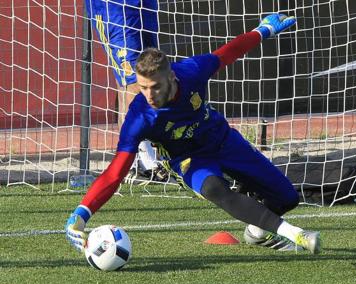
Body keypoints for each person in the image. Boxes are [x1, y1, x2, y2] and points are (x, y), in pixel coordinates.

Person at [65, 13, 321, 254]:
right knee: (214, 188)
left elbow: (228, 52)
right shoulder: (139, 117)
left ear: (172, 78)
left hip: (222, 140)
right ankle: (295, 233)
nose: (149, 95)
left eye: (155, 87)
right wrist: (81, 213)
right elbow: (115, 172)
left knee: (286, 198)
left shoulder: (193, 71)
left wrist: (262, 30)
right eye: (142, 88)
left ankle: (256, 231)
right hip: (188, 160)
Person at [84, 0, 165, 180]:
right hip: (114, 8)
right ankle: (143, 157)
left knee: (152, 72)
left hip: (146, 5)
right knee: (134, 81)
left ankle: (135, 157)